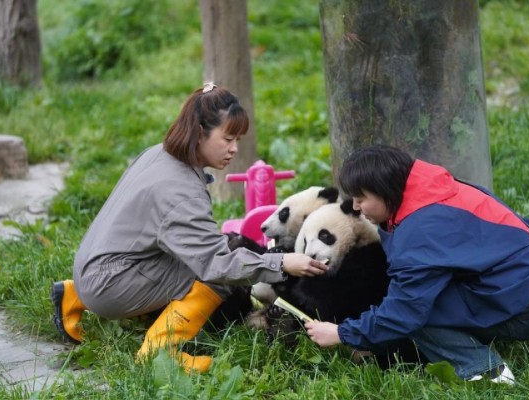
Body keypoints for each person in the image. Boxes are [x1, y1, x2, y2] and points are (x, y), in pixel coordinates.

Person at [52, 83, 328, 374]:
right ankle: (159, 355)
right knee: (219, 277)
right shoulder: (181, 191)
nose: (235, 148)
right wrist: (282, 262)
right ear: (199, 133)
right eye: (228, 138)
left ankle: (73, 296)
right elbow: (217, 264)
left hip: (91, 269)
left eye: (238, 139)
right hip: (109, 286)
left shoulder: (158, 155)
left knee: (211, 254)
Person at [305, 144, 529, 384]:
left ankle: (487, 372)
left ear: (385, 190)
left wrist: (342, 333)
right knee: (414, 298)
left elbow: (403, 314)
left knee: (417, 311)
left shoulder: (420, 232)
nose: (355, 206)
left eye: (361, 198)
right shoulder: (428, 188)